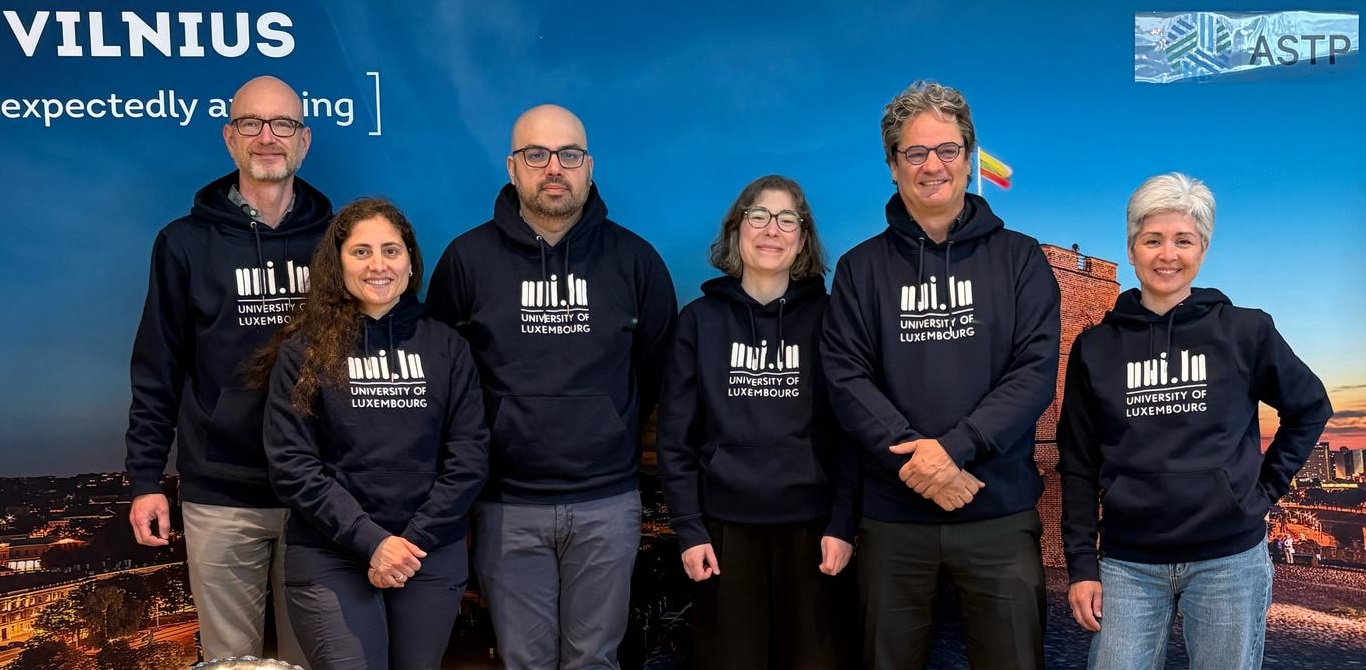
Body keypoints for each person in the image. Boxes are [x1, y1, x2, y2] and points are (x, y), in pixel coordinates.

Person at [426, 104, 677, 669]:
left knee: (595, 660)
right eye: (536, 155)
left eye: (569, 154)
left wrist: (609, 424)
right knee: (523, 661)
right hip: (505, 503)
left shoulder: (635, 260)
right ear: (512, 167)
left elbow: (656, 367)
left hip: (606, 499)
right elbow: (446, 375)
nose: (554, 168)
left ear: (589, 166)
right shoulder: (467, 260)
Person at [821, 80, 1060, 669]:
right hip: (893, 519)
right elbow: (847, 381)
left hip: (998, 514)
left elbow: (1033, 374)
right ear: (893, 166)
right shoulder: (859, 269)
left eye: (948, 150)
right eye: (915, 152)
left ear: (968, 157)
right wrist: (923, 467)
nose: (933, 166)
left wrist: (954, 450)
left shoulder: (1021, 259)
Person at [1058, 172, 1332, 669]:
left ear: (1202, 249)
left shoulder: (1245, 330)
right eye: (1153, 240)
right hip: (1127, 562)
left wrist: (1261, 493)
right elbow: (1077, 459)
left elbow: (1310, 406)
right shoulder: (1095, 348)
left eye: (1183, 240)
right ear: (1131, 249)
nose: (1168, 255)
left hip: (1229, 560)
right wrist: (1080, 563)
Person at [124, 75, 330, 664]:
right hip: (220, 493)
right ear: (229, 137)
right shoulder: (183, 243)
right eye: (250, 123)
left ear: (304, 140)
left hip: (321, 492)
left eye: (283, 124)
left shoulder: (339, 241)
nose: (267, 137)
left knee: (316, 660)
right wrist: (145, 479)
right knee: (228, 662)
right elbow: (158, 365)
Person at [254, 197, 489, 669]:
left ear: (410, 262)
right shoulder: (303, 351)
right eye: (361, 252)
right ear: (337, 263)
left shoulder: (448, 348)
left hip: (427, 551)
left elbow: (468, 457)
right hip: (330, 552)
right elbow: (292, 465)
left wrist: (410, 542)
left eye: (391, 250)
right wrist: (373, 542)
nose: (378, 265)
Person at [657, 175, 857, 669]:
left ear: (803, 239)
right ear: (737, 230)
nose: (772, 230)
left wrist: (843, 524)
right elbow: (676, 437)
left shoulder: (831, 319)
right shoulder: (698, 321)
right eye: (759, 216)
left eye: (787, 219)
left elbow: (851, 432)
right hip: (724, 534)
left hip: (814, 533)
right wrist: (689, 529)